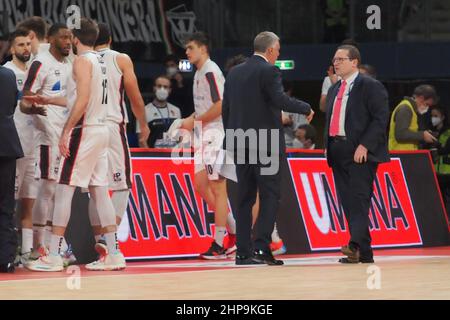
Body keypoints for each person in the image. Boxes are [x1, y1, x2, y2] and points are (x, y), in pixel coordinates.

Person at [26, 18, 126, 272]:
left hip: (85, 130)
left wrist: (66, 130)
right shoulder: (101, 62)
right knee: (100, 190)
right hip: (102, 130)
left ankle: (55, 254)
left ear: (76, 38)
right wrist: (48, 99)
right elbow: (76, 97)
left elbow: (81, 99)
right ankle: (114, 252)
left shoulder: (81, 61)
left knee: (63, 189)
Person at [223, 31, 314, 265]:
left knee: (244, 197)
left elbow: (227, 109)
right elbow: (280, 99)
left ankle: (243, 252)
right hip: (265, 143)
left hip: (239, 141)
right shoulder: (269, 70)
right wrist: (305, 107)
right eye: (278, 50)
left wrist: (230, 138)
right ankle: (262, 247)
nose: (278, 54)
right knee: (270, 194)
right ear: (271, 50)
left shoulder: (234, 72)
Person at [85, 22, 150, 257]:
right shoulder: (120, 59)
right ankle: (107, 239)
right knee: (122, 185)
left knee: (96, 187)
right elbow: (135, 98)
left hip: (88, 127)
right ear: (110, 39)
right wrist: (143, 125)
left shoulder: (83, 59)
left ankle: (99, 242)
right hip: (112, 125)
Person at [324, 45, 390, 263]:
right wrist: (329, 143)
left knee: (359, 200)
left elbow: (380, 119)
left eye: (341, 59)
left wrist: (365, 145)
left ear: (355, 63)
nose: (336, 63)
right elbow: (332, 118)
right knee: (348, 202)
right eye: (335, 59)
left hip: (360, 152)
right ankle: (362, 250)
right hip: (338, 150)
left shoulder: (370, 86)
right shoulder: (335, 89)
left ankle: (356, 247)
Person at [20, 23, 73, 262]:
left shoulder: (70, 64)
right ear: (50, 39)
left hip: (66, 135)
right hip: (47, 136)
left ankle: (54, 246)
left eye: (70, 38)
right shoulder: (40, 62)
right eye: (63, 37)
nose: (68, 42)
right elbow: (25, 98)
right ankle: (38, 246)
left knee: (60, 191)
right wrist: (34, 108)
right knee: (48, 188)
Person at [181, 32, 237, 259]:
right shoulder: (198, 72)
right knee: (200, 185)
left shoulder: (211, 70)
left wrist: (195, 121)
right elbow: (205, 106)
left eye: (191, 47)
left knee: (218, 188)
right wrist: (190, 121)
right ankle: (235, 232)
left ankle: (220, 242)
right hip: (203, 134)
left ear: (203, 48)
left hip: (216, 134)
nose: (187, 52)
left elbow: (221, 105)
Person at [3, 29, 37, 265]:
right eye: (21, 44)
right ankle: (9, 251)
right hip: (13, 144)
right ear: (11, 49)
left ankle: (27, 252)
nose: (26, 48)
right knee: (9, 202)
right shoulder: (7, 72)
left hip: (33, 143)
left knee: (32, 200)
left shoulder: (37, 70)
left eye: (28, 43)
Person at [0, 64, 23, 273]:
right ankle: (6, 259)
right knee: (6, 203)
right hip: (7, 144)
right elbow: (12, 106)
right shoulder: (8, 75)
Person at [388, 84, 438, 151]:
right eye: (427, 104)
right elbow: (401, 134)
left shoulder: (412, 110)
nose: (427, 108)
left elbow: (410, 132)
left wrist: (424, 134)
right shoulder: (405, 109)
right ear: (421, 98)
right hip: (400, 155)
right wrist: (422, 135)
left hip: (407, 154)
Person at [136, 75, 181, 148]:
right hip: (154, 156)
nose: (162, 89)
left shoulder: (176, 110)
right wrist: (151, 157)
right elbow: (141, 141)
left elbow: (179, 136)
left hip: (172, 155)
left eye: (165, 87)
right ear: (154, 88)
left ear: (170, 90)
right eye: (159, 86)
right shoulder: (144, 111)